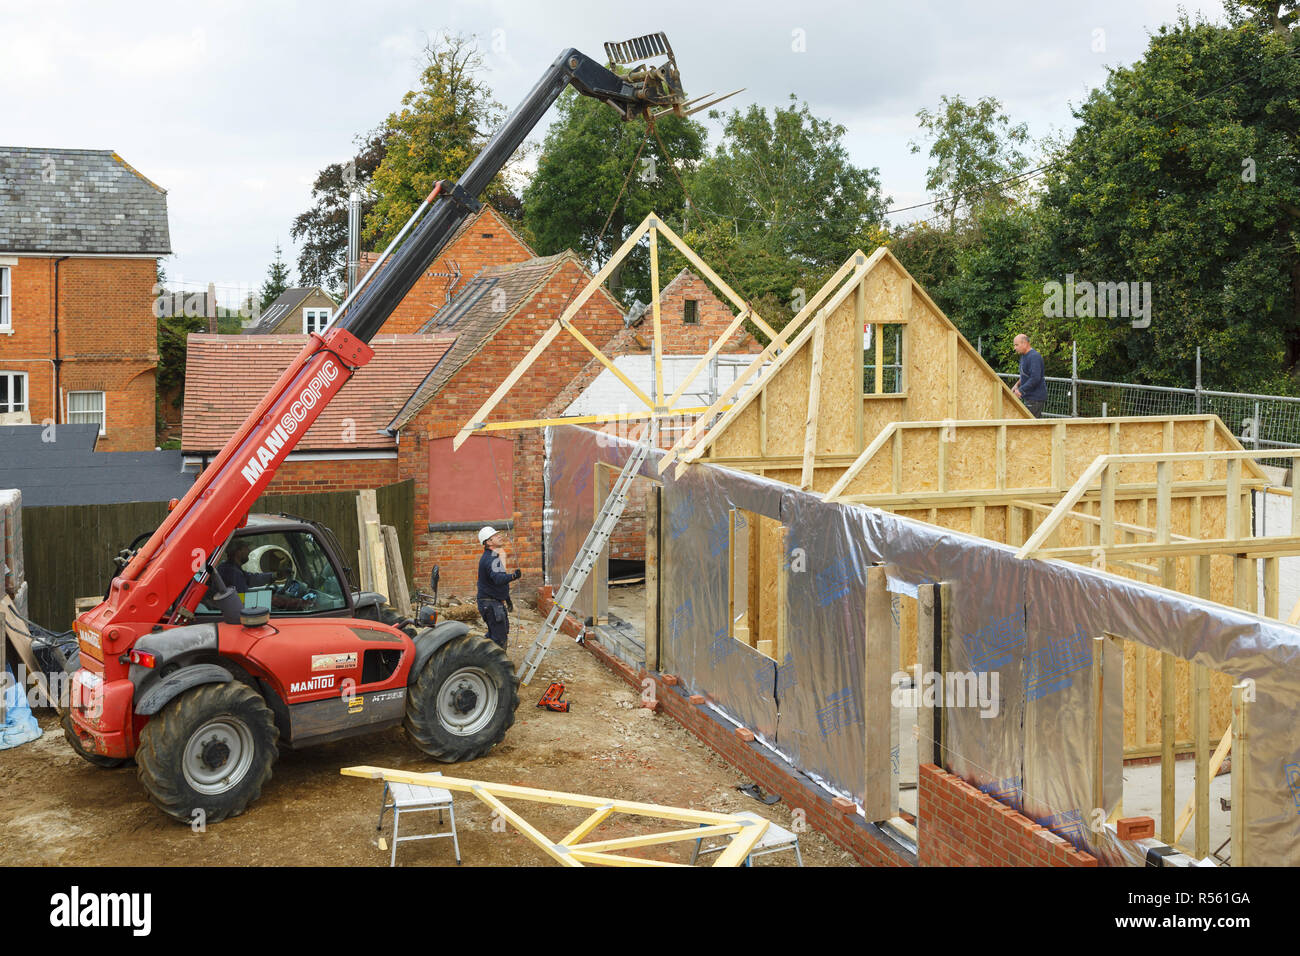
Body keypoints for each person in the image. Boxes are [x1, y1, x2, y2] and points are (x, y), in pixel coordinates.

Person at [477, 526, 521, 650]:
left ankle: (484, 658)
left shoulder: (493, 556)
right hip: (490, 604)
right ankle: (494, 666)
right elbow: (498, 579)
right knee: (498, 639)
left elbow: (498, 582)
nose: (499, 536)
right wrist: (513, 576)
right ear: (488, 542)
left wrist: (507, 599)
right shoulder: (491, 558)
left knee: (496, 634)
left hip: (491, 603)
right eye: (495, 536)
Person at [1012, 334, 1047, 418]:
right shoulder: (1024, 356)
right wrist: (1017, 385)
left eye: (1016, 345)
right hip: (1029, 398)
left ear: (1025, 343)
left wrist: (1021, 390)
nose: (1015, 348)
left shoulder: (1034, 357)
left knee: (1031, 426)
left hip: (1035, 398)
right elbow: (1025, 375)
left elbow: (1035, 378)